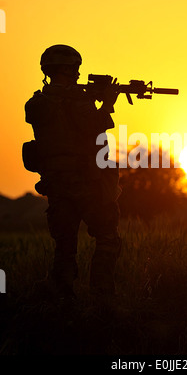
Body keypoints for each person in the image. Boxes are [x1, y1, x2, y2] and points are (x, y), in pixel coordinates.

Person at [24, 44, 122, 305]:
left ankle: (61, 300)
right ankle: (102, 299)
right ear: (69, 69)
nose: (79, 74)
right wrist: (107, 104)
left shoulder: (35, 104)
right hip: (86, 182)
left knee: (64, 245)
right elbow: (92, 127)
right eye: (75, 69)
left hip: (56, 183)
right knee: (107, 237)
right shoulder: (79, 101)